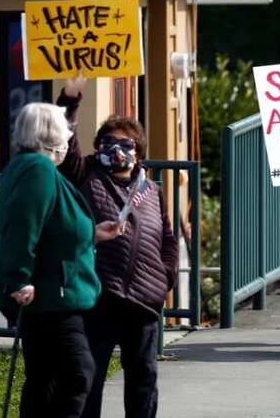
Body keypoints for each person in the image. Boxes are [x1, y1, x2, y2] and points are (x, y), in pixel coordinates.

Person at [57, 73, 179, 418]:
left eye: (125, 144)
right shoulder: (85, 174)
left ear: (137, 151)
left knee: (143, 378)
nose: (116, 149)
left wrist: (166, 276)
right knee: (89, 377)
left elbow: (168, 240)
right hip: (99, 296)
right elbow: (66, 143)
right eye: (108, 142)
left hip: (144, 300)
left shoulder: (152, 190)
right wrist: (70, 98)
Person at [0, 102, 122, 418]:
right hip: (51, 295)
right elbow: (24, 224)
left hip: (49, 292)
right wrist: (19, 277)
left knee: (45, 377)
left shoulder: (29, 167)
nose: (68, 137)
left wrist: (92, 233)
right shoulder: (39, 169)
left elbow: (52, 225)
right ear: (50, 135)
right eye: (64, 131)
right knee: (78, 372)